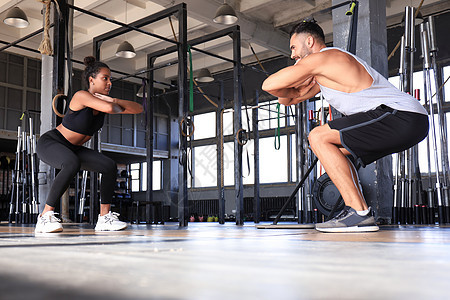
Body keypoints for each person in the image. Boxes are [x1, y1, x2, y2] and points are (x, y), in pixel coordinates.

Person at [262, 20, 428, 233]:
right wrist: (299, 81)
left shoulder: (325, 58)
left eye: (294, 47)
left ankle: (358, 213)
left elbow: (268, 85)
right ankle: (358, 212)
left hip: (401, 114)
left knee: (318, 137)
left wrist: (299, 74)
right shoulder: (321, 74)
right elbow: (287, 99)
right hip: (408, 122)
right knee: (334, 151)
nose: (293, 54)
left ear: (310, 41)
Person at [35, 56, 143, 233]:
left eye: (110, 79)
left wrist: (114, 100)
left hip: (74, 149)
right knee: (71, 163)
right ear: (91, 79)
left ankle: (104, 218)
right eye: (105, 78)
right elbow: (111, 109)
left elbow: (139, 108)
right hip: (52, 142)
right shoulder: (81, 96)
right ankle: (45, 216)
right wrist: (111, 104)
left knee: (108, 165)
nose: (109, 83)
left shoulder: (106, 101)